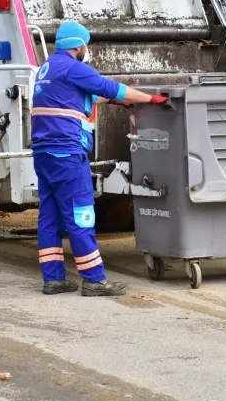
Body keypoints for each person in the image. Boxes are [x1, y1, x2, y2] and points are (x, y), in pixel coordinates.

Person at [32, 21, 168, 296]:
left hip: (45, 153)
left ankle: (53, 278)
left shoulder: (47, 69)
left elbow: (80, 97)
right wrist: (149, 99)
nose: (86, 50)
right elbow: (110, 88)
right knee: (81, 215)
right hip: (67, 153)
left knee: (50, 216)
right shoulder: (75, 67)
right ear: (79, 45)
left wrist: (119, 101)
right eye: (86, 45)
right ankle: (94, 279)